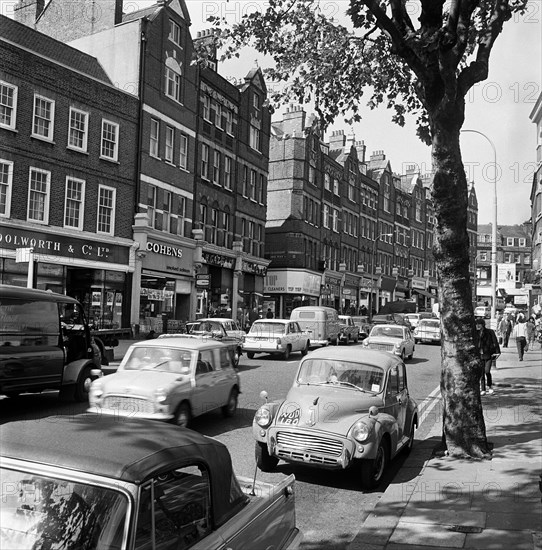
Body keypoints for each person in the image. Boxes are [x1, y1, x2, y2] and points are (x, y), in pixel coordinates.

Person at [474, 318, 500, 395]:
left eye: (479, 324)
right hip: (480, 355)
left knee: (487, 371)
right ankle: (483, 389)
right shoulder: (476, 333)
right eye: (477, 324)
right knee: (481, 373)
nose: (478, 325)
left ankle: (490, 386)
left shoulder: (489, 332)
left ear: (483, 324)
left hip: (488, 354)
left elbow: (495, 341)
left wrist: (497, 352)